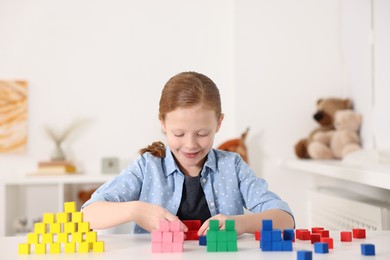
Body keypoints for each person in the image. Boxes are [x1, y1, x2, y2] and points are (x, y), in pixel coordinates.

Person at [82, 71, 294, 235]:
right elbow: (88, 214)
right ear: (163, 123)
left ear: (219, 123)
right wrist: (135, 211)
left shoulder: (232, 166)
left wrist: (242, 223)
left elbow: (285, 219)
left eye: (202, 133)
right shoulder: (148, 167)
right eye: (179, 133)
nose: (190, 144)